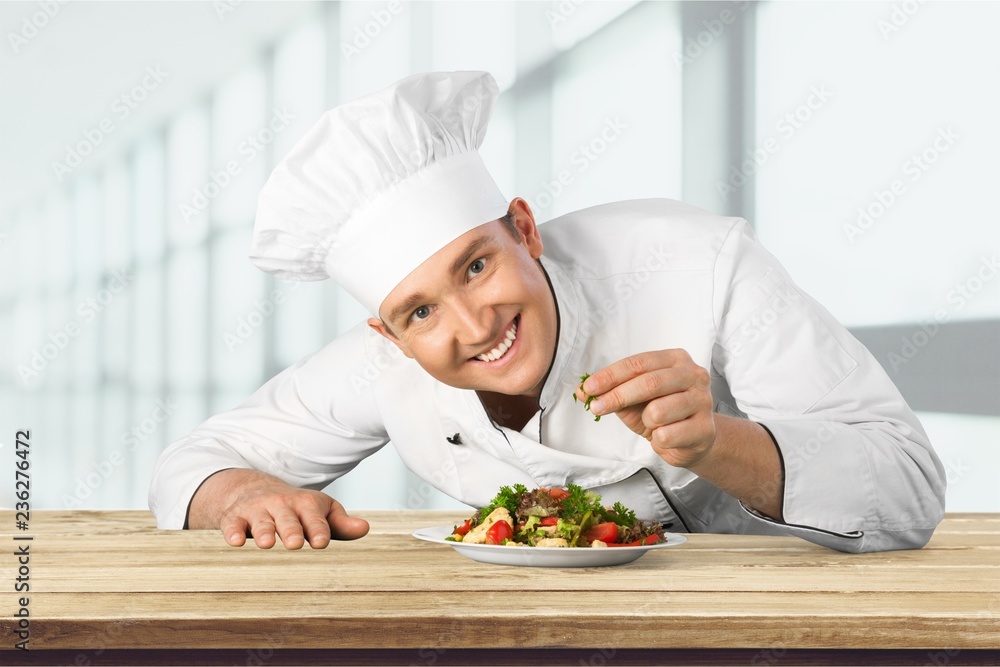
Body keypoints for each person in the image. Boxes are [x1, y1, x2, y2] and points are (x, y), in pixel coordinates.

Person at [148, 71, 946, 553]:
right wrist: (244, 495)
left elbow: (910, 490)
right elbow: (194, 461)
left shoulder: (700, 264)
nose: (473, 325)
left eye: (478, 264)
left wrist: (716, 443)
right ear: (386, 333)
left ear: (524, 228)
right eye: (420, 311)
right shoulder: (380, 368)